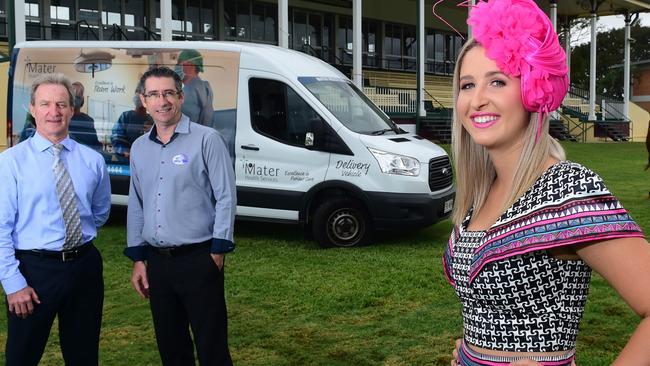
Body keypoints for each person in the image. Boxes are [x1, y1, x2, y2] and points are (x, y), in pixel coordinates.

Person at [442, 0, 650, 365]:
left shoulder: (568, 189)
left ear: (533, 89)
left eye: (497, 81)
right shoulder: (481, 191)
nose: (477, 100)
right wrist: (476, 346)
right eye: (467, 84)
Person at [124, 66, 236, 366]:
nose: (162, 101)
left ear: (181, 97)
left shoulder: (207, 140)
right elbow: (136, 203)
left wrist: (218, 250)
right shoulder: (139, 148)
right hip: (158, 264)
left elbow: (226, 195)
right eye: (154, 94)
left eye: (169, 93)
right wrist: (138, 258)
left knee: (211, 346)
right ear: (143, 101)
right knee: (171, 348)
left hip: (199, 258)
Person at [0, 74, 111, 366]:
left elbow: (99, 212)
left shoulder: (92, 161)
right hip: (34, 273)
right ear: (33, 109)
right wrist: (13, 283)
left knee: (84, 354)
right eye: (45, 104)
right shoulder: (11, 162)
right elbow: (0, 229)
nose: (54, 112)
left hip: (84, 268)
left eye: (62, 104)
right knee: (22, 356)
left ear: (72, 110)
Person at [175, 49, 214, 126]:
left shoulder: (191, 91)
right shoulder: (203, 86)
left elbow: (183, 121)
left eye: (180, 63)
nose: (177, 66)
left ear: (191, 65)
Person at [111, 88, 154, 157]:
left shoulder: (152, 119)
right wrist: (124, 151)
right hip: (127, 158)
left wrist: (153, 130)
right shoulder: (125, 116)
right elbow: (116, 136)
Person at [68, 81, 102, 150]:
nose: (75, 99)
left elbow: (94, 144)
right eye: (73, 96)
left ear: (82, 100)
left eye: (77, 97)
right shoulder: (62, 119)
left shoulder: (88, 120)